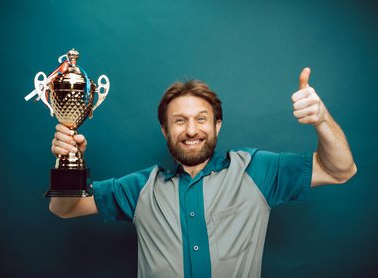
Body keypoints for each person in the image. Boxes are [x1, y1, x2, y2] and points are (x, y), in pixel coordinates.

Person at [50, 68, 356, 278]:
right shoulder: (141, 188)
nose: (192, 130)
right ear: (165, 129)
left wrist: (321, 120)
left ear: (217, 125)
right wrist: (68, 160)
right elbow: (66, 208)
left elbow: (340, 170)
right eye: (180, 121)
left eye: (201, 119)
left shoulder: (255, 170)